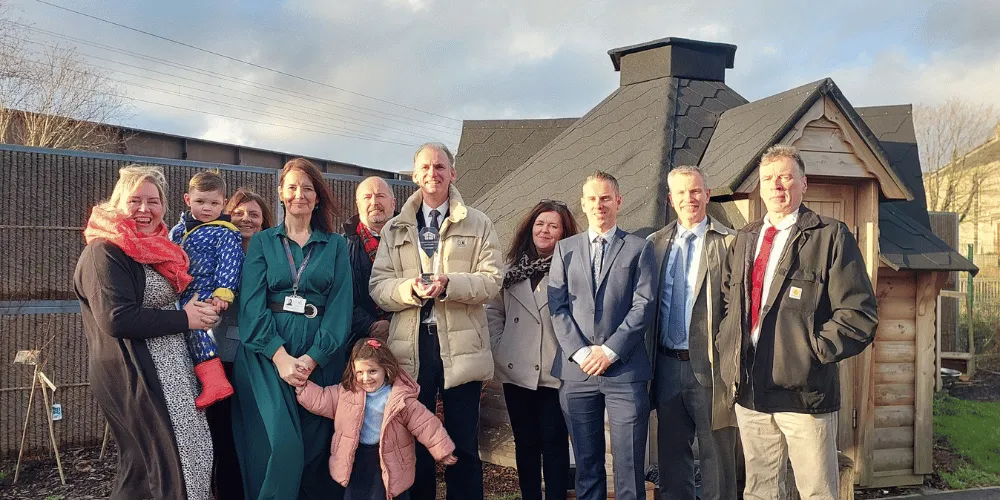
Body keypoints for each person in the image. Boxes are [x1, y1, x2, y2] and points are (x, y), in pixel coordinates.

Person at [717, 145, 877, 500]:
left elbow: (859, 312)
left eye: (786, 177)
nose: (777, 186)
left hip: (805, 394)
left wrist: (811, 351)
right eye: (769, 179)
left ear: (803, 183)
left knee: (817, 491)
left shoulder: (830, 236)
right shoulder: (745, 238)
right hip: (750, 391)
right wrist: (726, 343)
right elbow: (729, 302)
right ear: (760, 187)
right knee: (760, 491)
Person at [74, 165, 217, 500]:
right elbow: (116, 318)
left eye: (153, 201)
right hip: (137, 376)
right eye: (134, 200)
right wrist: (186, 320)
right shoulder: (105, 250)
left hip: (173, 372)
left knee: (188, 458)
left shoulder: (153, 249)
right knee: (153, 471)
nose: (144, 209)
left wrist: (199, 312)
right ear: (117, 202)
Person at [370, 142, 502, 500]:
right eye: (426, 167)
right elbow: (378, 287)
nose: (433, 173)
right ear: (415, 175)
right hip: (411, 351)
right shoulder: (395, 229)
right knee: (415, 442)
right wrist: (408, 289)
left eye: (440, 167)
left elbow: (492, 280)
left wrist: (450, 284)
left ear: (453, 173)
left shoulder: (479, 223)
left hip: (461, 348)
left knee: (462, 444)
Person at [232, 158, 354, 499]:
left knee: (316, 452)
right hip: (267, 357)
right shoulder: (263, 243)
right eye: (292, 187)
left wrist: (314, 358)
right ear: (281, 194)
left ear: (317, 198)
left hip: (321, 358)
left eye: (308, 188)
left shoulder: (336, 245)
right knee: (279, 448)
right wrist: (281, 357)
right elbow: (251, 306)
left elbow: (341, 307)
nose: (299, 194)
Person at [548, 171, 656, 500]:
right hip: (577, 374)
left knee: (628, 466)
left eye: (606, 198)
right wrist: (582, 353)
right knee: (587, 464)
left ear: (618, 202)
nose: (599, 205)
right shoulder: (564, 249)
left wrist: (608, 351)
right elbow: (557, 306)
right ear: (583, 204)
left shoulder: (640, 248)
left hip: (624, 371)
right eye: (592, 199)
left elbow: (644, 305)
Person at [646, 166, 738, 500]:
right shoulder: (654, 245)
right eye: (682, 193)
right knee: (671, 457)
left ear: (707, 193)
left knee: (718, 456)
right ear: (671, 199)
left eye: (696, 191)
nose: (690, 199)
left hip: (712, 368)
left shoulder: (729, 242)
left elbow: (736, 308)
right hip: (667, 366)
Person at [486, 200, 580, 500]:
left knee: (554, 444)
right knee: (525, 444)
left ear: (563, 233)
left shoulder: (572, 269)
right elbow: (493, 311)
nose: (545, 230)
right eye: (540, 224)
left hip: (555, 371)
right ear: (530, 228)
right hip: (517, 369)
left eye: (553, 226)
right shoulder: (511, 270)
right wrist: (500, 347)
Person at [296, 338, 458, 500]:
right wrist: (301, 386)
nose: (366, 378)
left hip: (388, 458)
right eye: (360, 372)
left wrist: (442, 449)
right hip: (357, 457)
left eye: (372, 371)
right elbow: (321, 399)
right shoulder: (345, 393)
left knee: (385, 493)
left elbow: (425, 424)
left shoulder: (399, 399)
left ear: (385, 369)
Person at [205, 188, 275, 500]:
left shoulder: (274, 258)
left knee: (258, 437)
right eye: (239, 213)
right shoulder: (215, 251)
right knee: (224, 439)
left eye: (254, 215)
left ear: (265, 223)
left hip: (264, 358)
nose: (246, 219)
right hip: (223, 360)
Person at [169, 170, 244, 409]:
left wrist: (223, 292)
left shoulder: (225, 232)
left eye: (214, 203)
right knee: (183, 335)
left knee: (197, 332)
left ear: (224, 203)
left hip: (204, 292)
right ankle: (200, 380)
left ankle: (215, 381)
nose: (207, 208)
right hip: (180, 293)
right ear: (187, 199)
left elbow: (230, 262)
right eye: (200, 201)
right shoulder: (179, 230)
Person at [344, 176, 397, 341]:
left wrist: (393, 323)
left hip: (408, 336)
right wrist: (370, 325)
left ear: (393, 203)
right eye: (367, 197)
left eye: (380, 196)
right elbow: (340, 297)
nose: (374, 202)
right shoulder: (341, 246)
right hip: (359, 341)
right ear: (358, 205)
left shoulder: (415, 239)